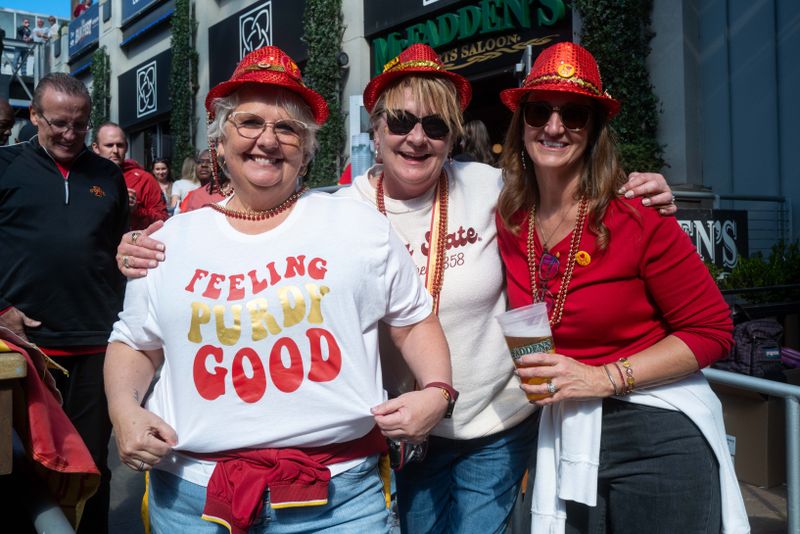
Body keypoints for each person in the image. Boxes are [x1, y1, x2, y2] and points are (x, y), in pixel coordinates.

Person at [116, 43, 676, 533]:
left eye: (434, 126)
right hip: (396, 432)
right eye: (401, 122)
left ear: (454, 136)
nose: (416, 138)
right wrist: (147, 248)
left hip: (490, 420)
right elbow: (240, 242)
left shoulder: (492, 188)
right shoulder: (339, 210)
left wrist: (636, 190)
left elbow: (569, 191)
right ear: (375, 128)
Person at [105, 45, 455, 533]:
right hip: (194, 497)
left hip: (339, 499)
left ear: (307, 148)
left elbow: (414, 319)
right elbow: (134, 342)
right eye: (249, 123)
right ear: (220, 143)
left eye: (287, 128)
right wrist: (123, 411)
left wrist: (437, 393)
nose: (267, 140)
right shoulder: (168, 241)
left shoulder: (356, 224)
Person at [495, 42, 748, 533]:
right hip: (565, 428)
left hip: (655, 431)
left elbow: (714, 330)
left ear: (592, 132)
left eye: (573, 113)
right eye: (538, 110)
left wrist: (602, 377)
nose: (553, 126)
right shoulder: (509, 218)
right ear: (521, 122)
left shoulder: (636, 217)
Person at [0, 72, 129, 534]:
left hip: (97, 344)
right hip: (25, 350)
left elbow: (119, 252)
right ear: (34, 116)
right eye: (58, 123)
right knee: (25, 465)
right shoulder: (6, 167)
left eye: (80, 124)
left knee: (91, 465)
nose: (70, 134)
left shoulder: (109, 175)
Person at [92, 122, 168, 230]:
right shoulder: (85, 177)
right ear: (96, 148)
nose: (115, 151)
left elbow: (163, 220)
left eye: (120, 145)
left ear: (126, 147)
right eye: (109, 145)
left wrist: (135, 210)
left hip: (131, 243)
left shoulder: (144, 179)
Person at [177, 148, 227, 212]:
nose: (203, 165)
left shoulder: (227, 194)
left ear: (220, 166)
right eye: (199, 162)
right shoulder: (193, 195)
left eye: (210, 162)